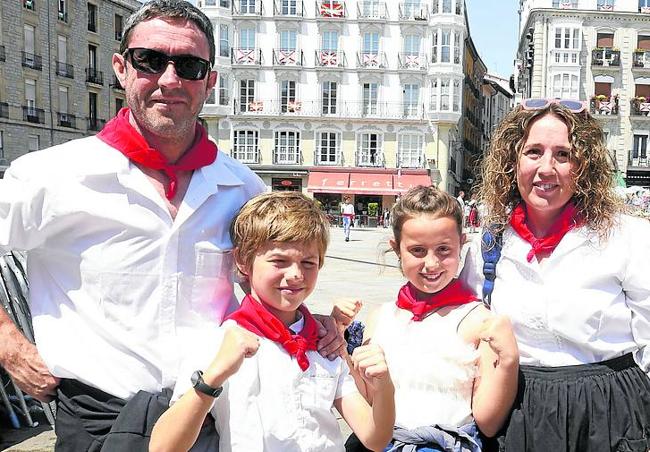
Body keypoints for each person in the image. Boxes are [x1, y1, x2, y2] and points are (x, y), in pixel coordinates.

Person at [0, 1, 344, 450]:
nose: (169, 79)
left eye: (189, 65)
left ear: (210, 81)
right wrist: (8, 343)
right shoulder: (51, 175)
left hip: (209, 415)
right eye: (150, 60)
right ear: (122, 69)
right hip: (99, 418)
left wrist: (308, 324)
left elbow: (270, 283)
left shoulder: (242, 187)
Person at [462, 98, 650, 451]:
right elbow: (452, 323)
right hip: (518, 414)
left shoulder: (628, 237)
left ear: (584, 166)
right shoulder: (488, 245)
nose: (546, 168)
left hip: (610, 415)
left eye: (563, 155)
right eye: (533, 151)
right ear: (512, 162)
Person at [150, 192, 396, 452]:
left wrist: (383, 387)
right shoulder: (219, 344)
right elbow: (163, 448)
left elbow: (374, 438)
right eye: (279, 261)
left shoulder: (325, 344)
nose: (295, 274)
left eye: (308, 262)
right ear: (243, 261)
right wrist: (212, 377)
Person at [343, 186, 519, 452]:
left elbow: (488, 423)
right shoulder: (381, 317)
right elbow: (368, 400)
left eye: (443, 250)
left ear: (461, 244)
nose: (432, 263)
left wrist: (508, 361)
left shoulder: (478, 321)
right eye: (417, 250)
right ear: (396, 248)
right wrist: (341, 346)